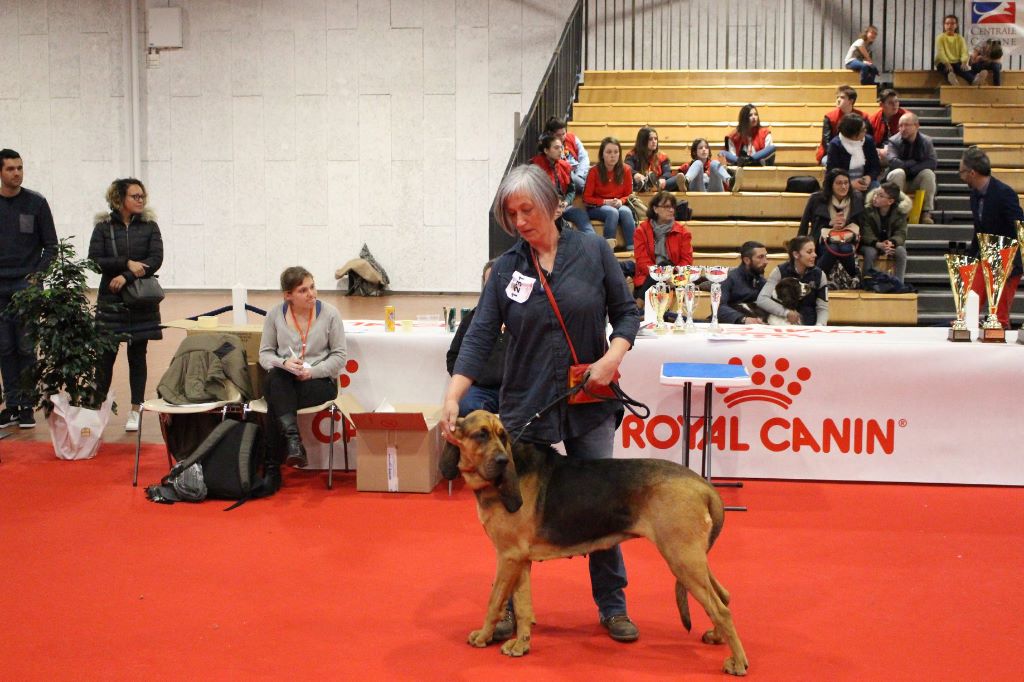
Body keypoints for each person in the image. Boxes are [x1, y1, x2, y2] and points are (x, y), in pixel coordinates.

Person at [444, 164, 641, 644]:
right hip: (525, 410)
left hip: (587, 402)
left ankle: (612, 606)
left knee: (602, 508)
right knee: (511, 515)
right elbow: (480, 334)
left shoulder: (593, 250)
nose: (520, 222)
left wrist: (613, 356)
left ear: (552, 205)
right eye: (511, 215)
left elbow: (627, 313)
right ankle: (511, 611)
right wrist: (454, 394)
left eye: (527, 209)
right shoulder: (509, 268)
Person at [88, 178, 164, 431]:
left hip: (140, 299)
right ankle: (98, 409)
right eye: (135, 196)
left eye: (142, 195)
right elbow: (95, 260)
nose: (141, 200)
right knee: (105, 357)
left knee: (137, 356)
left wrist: (128, 275)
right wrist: (125, 262)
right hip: (110, 301)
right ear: (119, 199)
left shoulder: (150, 226)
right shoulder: (103, 227)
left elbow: (155, 259)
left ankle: (136, 410)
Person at [259, 267, 347, 474]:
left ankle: (273, 468)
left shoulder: (330, 314)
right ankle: (293, 441)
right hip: (285, 378)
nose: (312, 294)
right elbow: (265, 354)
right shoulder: (274, 315)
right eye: (303, 290)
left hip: (318, 383)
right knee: (277, 378)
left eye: (313, 287)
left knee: (276, 397)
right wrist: (284, 363)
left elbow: (339, 356)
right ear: (288, 295)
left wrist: (312, 372)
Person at [0, 149, 57, 429]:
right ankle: (11, 405)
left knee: (25, 346)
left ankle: (26, 407)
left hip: (26, 284)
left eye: (20, 168)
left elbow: (52, 246)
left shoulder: (36, 203)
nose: (17, 173)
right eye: (10, 168)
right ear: (0, 172)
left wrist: (38, 276)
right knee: (5, 347)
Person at [960, 146, 1024, 329]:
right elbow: (979, 230)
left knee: (999, 318)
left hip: (1007, 259)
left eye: (962, 172)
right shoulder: (974, 195)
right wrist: (971, 260)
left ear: (972, 173)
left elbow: (1019, 226)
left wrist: (1011, 258)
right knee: (970, 304)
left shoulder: (1004, 193)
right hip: (985, 255)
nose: (960, 176)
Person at [445, 260, 507, 416]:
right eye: (490, 284)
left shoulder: (523, 317)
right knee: (466, 407)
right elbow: (453, 356)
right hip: (481, 389)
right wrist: (468, 380)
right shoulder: (472, 319)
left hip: (516, 390)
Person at [799, 168, 865, 281]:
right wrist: (830, 224)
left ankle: (854, 277)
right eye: (839, 183)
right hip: (822, 239)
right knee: (832, 248)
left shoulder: (856, 198)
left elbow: (862, 224)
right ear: (831, 185)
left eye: (846, 183)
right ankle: (815, 279)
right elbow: (804, 225)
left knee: (845, 248)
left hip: (848, 238)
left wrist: (846, 223)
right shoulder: (816, 199)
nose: (843, 187)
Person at [632, 191, 693, 301]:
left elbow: (686, 260)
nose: (671, 210)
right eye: (666, 207)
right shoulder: (642, 231)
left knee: (665, 266)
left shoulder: (682, 232)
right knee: (663, 266)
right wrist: (661, 275)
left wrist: (672, 275)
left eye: (673, 207)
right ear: (655, 209)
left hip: (674, 276)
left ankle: (639, 303)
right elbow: (642, 261)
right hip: (648, 277)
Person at [757, 235, 829, 326]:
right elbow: (762, 300)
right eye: (809, 252)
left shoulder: (819, 274)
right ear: (796, 255)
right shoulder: (780, 271)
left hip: (810, 325)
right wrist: (786, 312)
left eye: (814, 251)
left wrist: (819, 326)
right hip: (783, 324)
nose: (815, 255)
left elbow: (822, 307)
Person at [531, 132, 594, 234]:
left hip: (563, 206)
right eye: (556, 148)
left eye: (561, 147)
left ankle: (593, 242)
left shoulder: (564, 166)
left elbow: (571, 190)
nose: (560, 151)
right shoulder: (535, 168)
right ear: (546, 150)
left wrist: (566, 202)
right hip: (545, 209)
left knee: (580, 214)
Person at [882, 112, 938, 224]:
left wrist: (912, 169)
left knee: (928, 173)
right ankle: (896, 212)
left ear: (917, 126)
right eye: (900, 126)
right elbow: (893, 162)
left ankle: (926, 212)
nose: (903, 129)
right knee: (898, 172)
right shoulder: (893, 141)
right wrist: (913, 162)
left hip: (915, 179)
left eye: (906, 125)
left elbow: (932, 162)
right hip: (898, 180)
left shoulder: (926, 141)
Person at [583, 137, 636, 251]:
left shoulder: (626, 170)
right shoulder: (594, 171)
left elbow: (628, 194)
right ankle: (607, 249)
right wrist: (605, 202)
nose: (613, 155)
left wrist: (620, 201)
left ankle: (632, 249)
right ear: (602, 154)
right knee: (612, 212)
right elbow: (587, 198)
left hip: (618, 204)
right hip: (597, 207)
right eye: (609, 152)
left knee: (626, 211)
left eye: (616, 152)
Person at [860, 182, 911, 283]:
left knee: (901, 251)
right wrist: (877, 244)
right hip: (870, 244)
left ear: (890, 201)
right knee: (870, 252)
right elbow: (865, 231)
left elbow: (901, 232)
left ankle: (898, 282)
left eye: (880, 196)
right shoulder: (867, 210)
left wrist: (892, 242)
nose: (875, 197)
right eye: (876, 193)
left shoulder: (900, 212)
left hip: (889, 244)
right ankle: (866, 282)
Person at [825, 113, 880, 192]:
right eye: (862, 130)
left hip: (865, 181)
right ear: (853, 134)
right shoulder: (835, 145)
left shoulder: (868, 141)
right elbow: (832, 173)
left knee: (876, 189)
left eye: (865, 128)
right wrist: (850, 184)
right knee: (855, 195)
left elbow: (875, 166)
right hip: (844, 184)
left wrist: (869, 177)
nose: (865, 131)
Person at [718, 241, 769, 325]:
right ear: (747, 260)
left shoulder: (762, 281)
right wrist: (743, 319)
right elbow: (719, 307)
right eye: (760, 257)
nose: (766, 261)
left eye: (765, 257)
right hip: (729, 325)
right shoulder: (729, 279)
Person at [817, 86, 866, 164]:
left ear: (851, 101)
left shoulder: (863, 116)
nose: (838, 100)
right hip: (834, 153)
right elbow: (826, 142)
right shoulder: (829, 117)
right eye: (837, 97)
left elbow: (866, 138)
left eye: (842, 97)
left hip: (857, 151)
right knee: (827, 161)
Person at [544, 117, 590, 193]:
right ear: (551, 134)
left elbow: (584, 157)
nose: (562, 137)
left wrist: (579, 174)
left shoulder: (572, 138)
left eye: (563, 133)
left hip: (580, 171)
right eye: (558, 135)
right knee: (583, 185)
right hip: (566, 174)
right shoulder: (549, 145)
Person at [624, 126, 678, 191]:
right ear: (642, 141)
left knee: (677, 178)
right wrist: (635, 174)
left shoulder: (662, 156)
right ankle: (645, 186)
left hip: (659, 185)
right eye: (650, 139)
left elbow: (667, 172)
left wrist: (663, 178)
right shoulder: (632, 155)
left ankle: (652, 187)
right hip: (640, 183)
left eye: (655, 139)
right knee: (632, 179)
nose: (654, 141)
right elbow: (627, 169)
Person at [935, 14, 973, 86]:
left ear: (956, 25)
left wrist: (964, 62)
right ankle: (953, 80)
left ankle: (974, 80)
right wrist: (947, 64)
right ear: (944, 25)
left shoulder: (960, 38)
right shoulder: (940, 37)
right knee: (948, 70)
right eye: (947, 23)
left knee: (963, 70)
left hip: (956, 61)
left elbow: (964, 51)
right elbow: (941, 53)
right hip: (943, 62)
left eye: (952, 23)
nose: (950, 26)